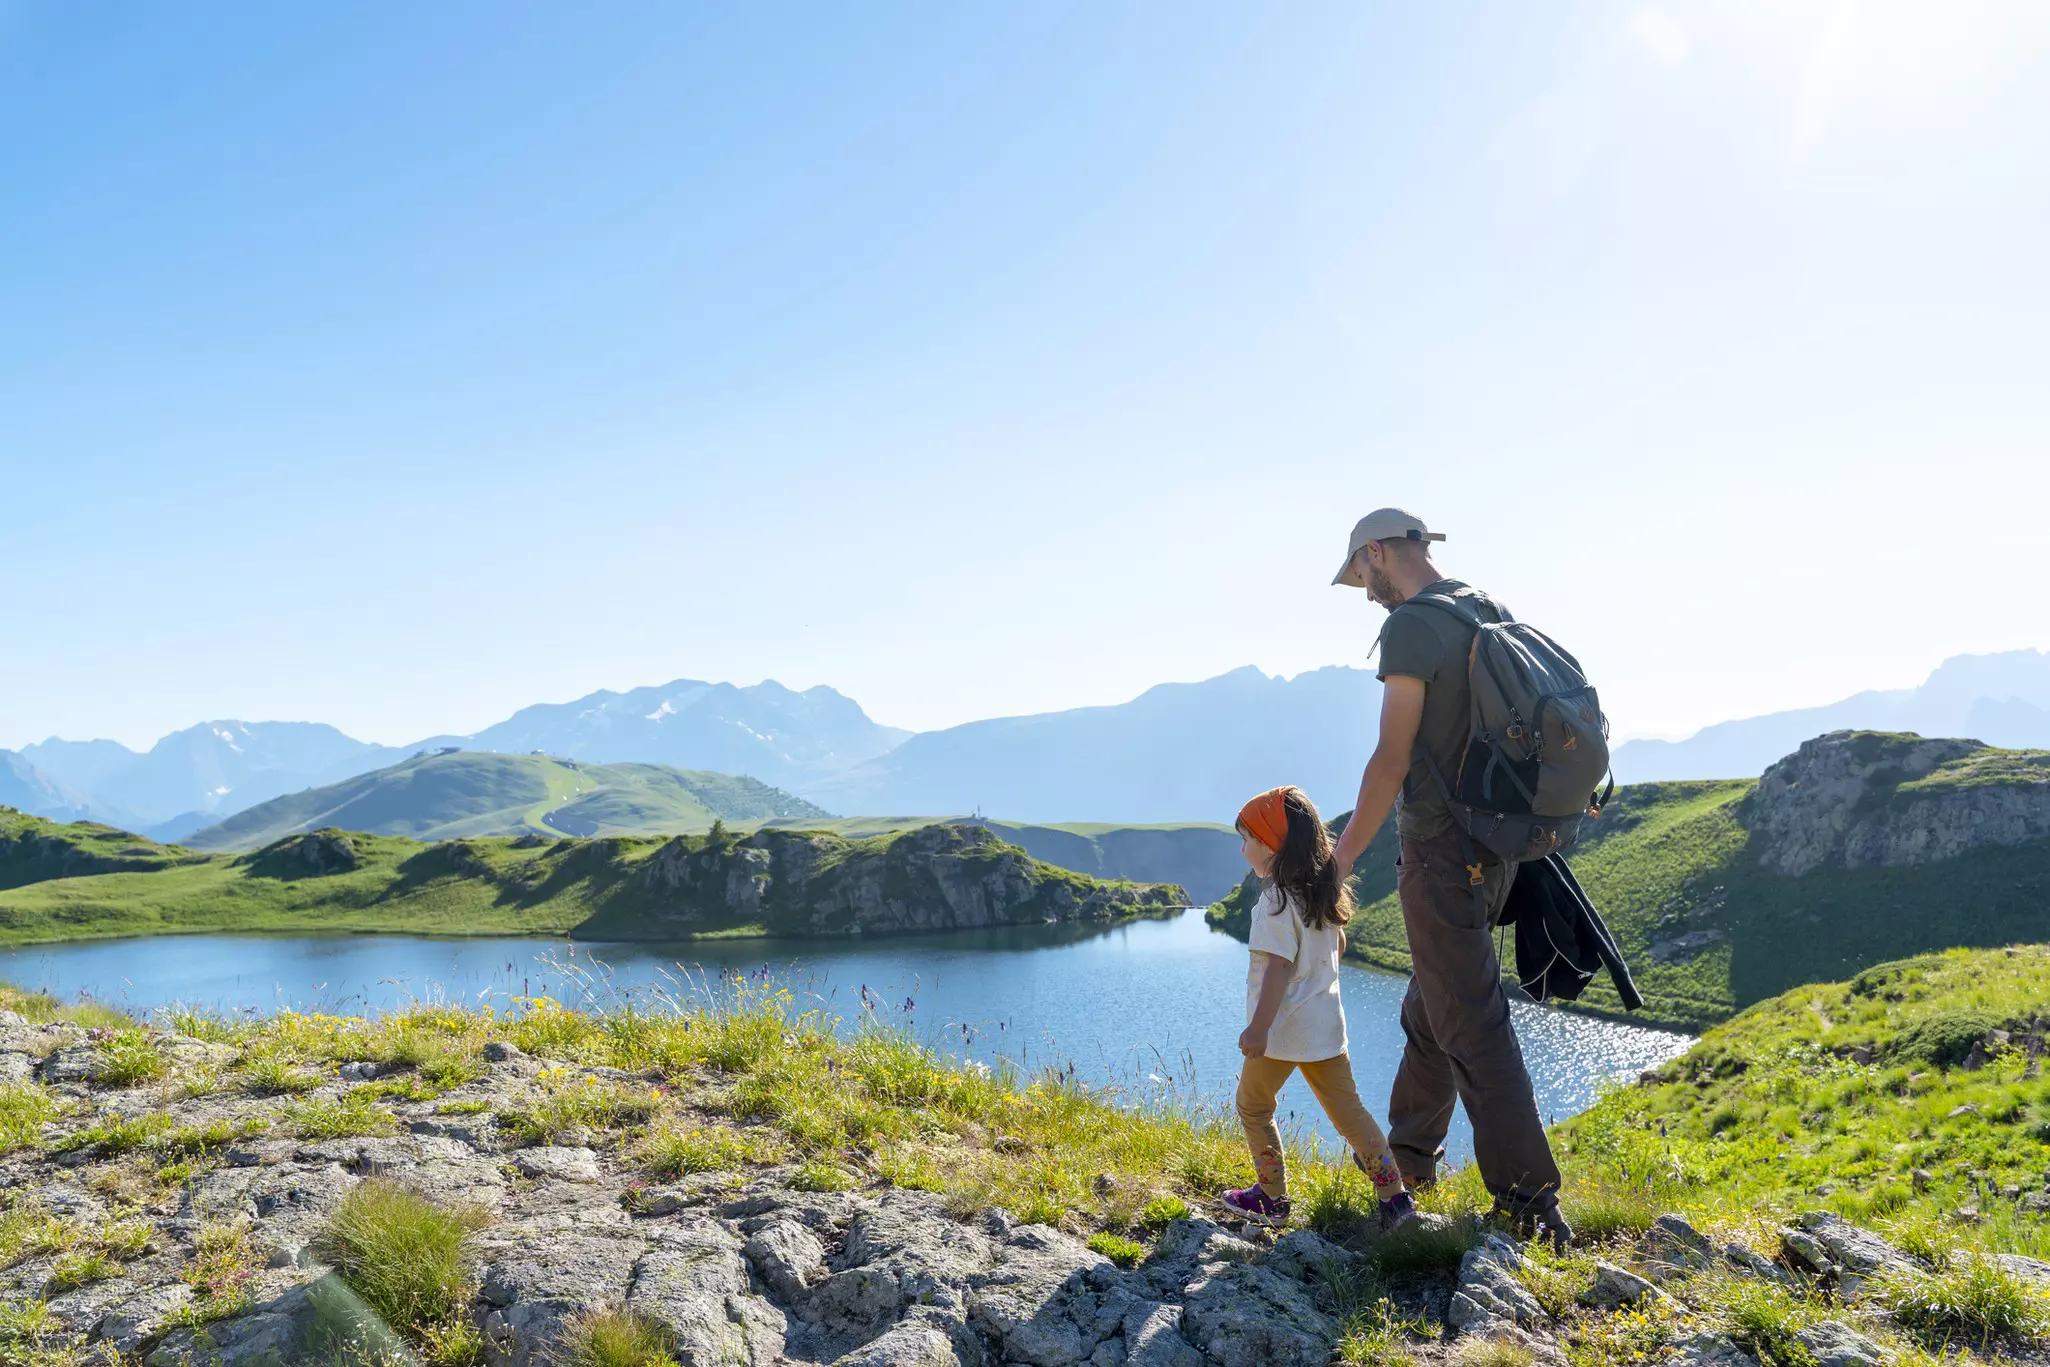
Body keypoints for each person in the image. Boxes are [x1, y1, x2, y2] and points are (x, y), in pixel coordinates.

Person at [1327, 507, 1575, 1247]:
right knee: (1433, 1010)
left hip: (1440, 850)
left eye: (1361, 573)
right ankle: (1405, 1165)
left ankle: (1532, 1206)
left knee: (1472, 1021)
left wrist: (1337, 861)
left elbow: (1392, 757)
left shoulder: (1411, 626)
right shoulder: (1488, 607)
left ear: (1378, 551)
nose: (1365, 589)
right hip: (1500, 848)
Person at [1220, 784, 1418, 1233]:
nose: (1242, 846)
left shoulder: (1274, 904)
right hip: (1327, 1029)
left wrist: (1258, 1029)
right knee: (1351, 1114)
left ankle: (1270, 1197)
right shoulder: (1324, 894)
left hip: (1282, 1034)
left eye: (1247, 838)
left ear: (1271, 846)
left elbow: (1276, 972)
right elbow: (1338, 945)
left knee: (1253, 1107)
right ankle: (1396, 1199)